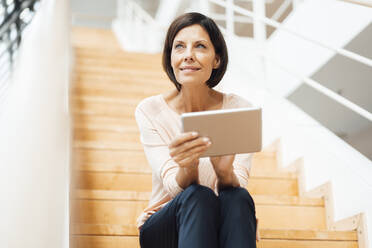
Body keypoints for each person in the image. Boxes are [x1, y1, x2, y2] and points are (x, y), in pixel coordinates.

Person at [134, 12, 259, 248]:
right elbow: (173, 185)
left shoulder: (238, 109)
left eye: (200, 46)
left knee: (238, 197)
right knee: (198, 195)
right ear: (170, 57)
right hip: (166, 227)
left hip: (221, 221)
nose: (188, 56)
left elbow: (239, 182)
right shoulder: (150, 110)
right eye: (179, 47)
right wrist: (188, 166)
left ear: (217, 60)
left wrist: (225, 173)